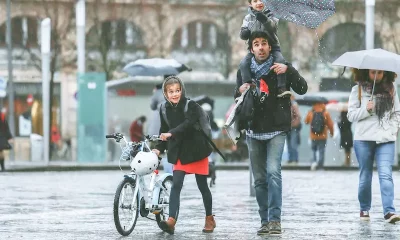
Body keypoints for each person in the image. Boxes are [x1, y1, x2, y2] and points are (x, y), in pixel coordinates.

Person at [235, 31, 308, 235]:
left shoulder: (281, 68)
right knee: (259, 179)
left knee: (273, 173)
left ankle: (275, 219)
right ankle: (264, 220)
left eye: (264, 43)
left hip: (277, 128)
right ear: (251, 49)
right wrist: (239, 91)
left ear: (270, 47)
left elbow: (303, 88)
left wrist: (289, 70)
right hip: (253, 129)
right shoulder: (244, 70)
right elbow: (237, 96)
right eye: (256, 44)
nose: (260, 47)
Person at [151, 76, 215, 234]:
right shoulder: (164, 108)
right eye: (171, 91)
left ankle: (209, 218)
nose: (175, 94)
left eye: (177, 90)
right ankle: (171, 220)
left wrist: (171, 134)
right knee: (176, 184)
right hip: (179, 151)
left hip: (197, 150)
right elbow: (163, 130)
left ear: (182, 90)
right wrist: (159, 148)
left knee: (203, 187)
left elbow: (187, 125)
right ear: (165, 93)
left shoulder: (190, 105)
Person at [347, 69, 400, 223]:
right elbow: (351, 115)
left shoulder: (391, 89)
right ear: (366, 73)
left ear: (385, 73)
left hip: (386, 138)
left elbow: (397, 113)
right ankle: (364, 208)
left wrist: (392, 129)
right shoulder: (357, 90)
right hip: (363, 138)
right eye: (373, 72)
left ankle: (389, 211)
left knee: (385, 174)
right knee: (365, 175)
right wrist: (366, 110)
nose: (376, 75)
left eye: (380, 72)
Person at [239, 0, 290, 98]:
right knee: (244, 63)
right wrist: (244, 33)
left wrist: (264, 19)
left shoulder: (272, 14)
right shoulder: (248, 18)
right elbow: (243, 31)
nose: (259, 3)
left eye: (262, 0)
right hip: (254, 49)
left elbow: (273, 27)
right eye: (255, 1)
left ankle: (281, 87)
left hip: (272, 46)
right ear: (250, 4)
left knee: (280, 61)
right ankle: (248, 84)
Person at [147, 82, 173, 173]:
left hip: (158, 130)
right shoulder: (171, 94)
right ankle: (170, 172)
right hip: (170, 130)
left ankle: (154, 170)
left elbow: (152, 106)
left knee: (155, 151)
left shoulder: (157, 94)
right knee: (169, 152)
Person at [304, 102, 334, 170]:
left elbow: (306, 122)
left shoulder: (311, 112)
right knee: (321, 150)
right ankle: (320, 166)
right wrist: (332, 133)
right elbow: (330, 125)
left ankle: (314, 163)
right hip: (322, 136)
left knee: (313, 150)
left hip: (313, 136)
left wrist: (309, 115)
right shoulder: (325, 113)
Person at [287, 95, 302, 165]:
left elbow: (298, 116)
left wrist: (293, 123)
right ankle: (291, 159)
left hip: (293, 127)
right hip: (288, 127)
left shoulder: (294, 105)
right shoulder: (289, 105)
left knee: (293, 143)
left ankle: (294, 159)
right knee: (289, 144)